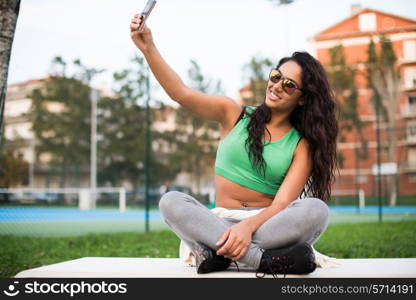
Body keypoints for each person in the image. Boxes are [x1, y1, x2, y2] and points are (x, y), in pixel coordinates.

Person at [130, 14, 338, 277]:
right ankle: (264, 261)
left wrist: (248, 227)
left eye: (289, 85)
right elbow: (179, 92)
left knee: (316, 210)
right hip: (215, 222)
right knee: (171, 201)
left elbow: (282, 204)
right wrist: (148, 47)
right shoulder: (233, 113)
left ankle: (218, 255)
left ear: (303, 99)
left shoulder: (301, 144)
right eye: (276, 77)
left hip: (266, 225)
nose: (277, 86)